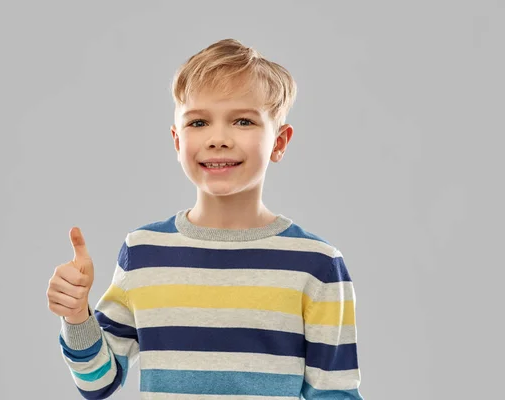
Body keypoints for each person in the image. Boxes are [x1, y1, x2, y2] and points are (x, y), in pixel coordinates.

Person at [47, 38, 364, 399]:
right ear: (177, 141)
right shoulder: (143, 252)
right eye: (198, 122)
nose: (218, 139)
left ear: (279, 142)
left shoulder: (317, 264)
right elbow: (97, 383)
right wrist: (76, 317)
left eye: (243, 120)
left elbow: (334, 393)